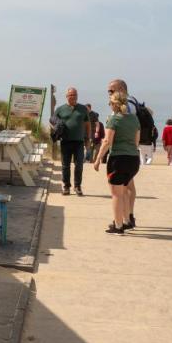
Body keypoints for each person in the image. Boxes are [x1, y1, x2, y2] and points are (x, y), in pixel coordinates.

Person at [93, 89, 140, 234]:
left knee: (116, 194)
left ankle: (118, 225)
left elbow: (107, 141)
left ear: (114, 104)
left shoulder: (114, 119)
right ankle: (126, 221)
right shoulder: (134, 119)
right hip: (133, 160)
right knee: (124, 191)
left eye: (110, 103)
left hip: (118, 160)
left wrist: (98, 159)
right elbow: (137, 141)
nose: (109, 105)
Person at [107, 78, 139, 228]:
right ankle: (126, 218)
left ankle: (124, 220)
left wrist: (99, 157)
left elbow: (120, 132)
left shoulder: (128, 107)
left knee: (123, 191)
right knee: (127, 188)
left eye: (111, 91)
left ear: (121, 90)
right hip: (132, 155)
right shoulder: (132, 104)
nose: (109, 94)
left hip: (122, 155)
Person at [54, 86, 92, 195]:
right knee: (65, 165)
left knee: (79, 164)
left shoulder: (83, 109)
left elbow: (88, 125)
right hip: (65, 141)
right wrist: (56, 130)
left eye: (74, 95)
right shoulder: (60, 109)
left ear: (77, 96)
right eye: (70, 95)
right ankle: (66, 186)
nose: (73, 97)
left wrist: (88, 139)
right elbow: (52, 121)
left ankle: (77, 186)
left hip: (79, 142)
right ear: (66, 96)